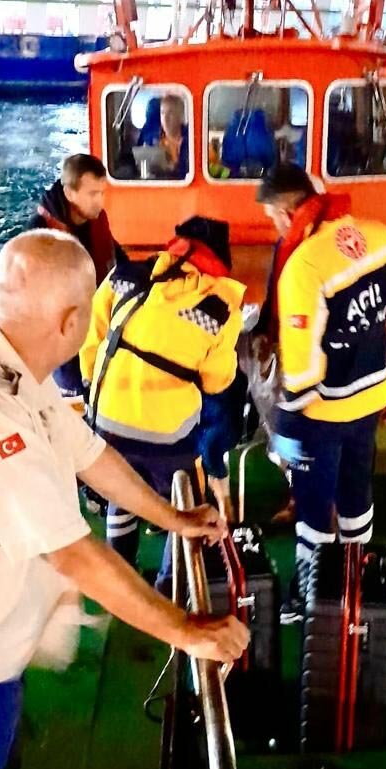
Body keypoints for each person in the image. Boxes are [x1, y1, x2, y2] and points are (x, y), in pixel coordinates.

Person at [0, 231, 248, 769]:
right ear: (71, 321)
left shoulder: (15, 362)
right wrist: (185, 630)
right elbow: (72, 553)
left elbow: (89, 454)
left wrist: (173, 518)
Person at [256, 164, 386, 620]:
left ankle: (307, 596)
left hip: (324, 412)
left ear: (288, 213)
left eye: (273, 218)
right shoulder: (377, 234)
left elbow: (304, 370)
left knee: (314, 503)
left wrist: (285, 428)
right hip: (373, 395)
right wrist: (363, 321)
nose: (275, 227)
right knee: (356, 489)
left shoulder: (303, 266)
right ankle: (357, 578)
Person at [80, 216, 245, 585]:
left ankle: (122, 574)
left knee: (123, 489)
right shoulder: (219, 308)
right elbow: (217, 382)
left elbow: (91, 340)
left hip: (106, 420)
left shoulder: (125, 275)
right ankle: (169, 584)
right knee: (183, 507)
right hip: (168, 436)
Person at [29, 153, 117, 408]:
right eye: (93, 194)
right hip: (62, 340)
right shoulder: (39, 231)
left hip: (97, 322)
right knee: (74, 403)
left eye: (102, 193)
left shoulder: (96, 220)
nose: (100, 200)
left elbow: (114, 257)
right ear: (69, 193)